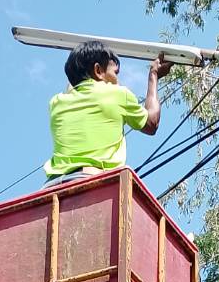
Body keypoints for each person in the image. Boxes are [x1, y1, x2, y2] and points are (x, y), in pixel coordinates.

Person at [44, 39, 172, 179]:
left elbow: (74, 88)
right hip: (92, 183)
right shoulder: (117, 94)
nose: (117, 80)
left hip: (53, 187)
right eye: (115, 73)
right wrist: (154, 75)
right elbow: (151, 123)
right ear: (98, 70)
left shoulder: (56, 103)